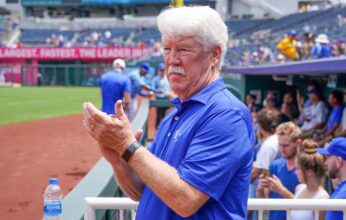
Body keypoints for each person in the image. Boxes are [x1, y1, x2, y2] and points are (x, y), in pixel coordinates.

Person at [83, 6, 255, 219]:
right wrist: (118, 159)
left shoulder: (226, 114)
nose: (172, 59)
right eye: (166, 49)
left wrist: (127, 145)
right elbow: (142, 191)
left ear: (214, 55)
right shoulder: (176, 114)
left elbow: (185, 200)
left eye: (183, 50)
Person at [271, 139, 329, 220]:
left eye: (298, 169)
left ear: (309, 172)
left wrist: (282, 190)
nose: (295, 172)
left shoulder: (322, 199)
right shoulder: (299, 188)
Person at [256, 122, 301, 220]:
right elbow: (266, 203)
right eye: (280, 145)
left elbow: (307, 208)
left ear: (298, 143)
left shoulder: (306, 169)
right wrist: (260, 189)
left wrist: (282, 191)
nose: (282, 149)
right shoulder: (275, 166)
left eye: (286, 145)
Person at [151, 63, 172, 129]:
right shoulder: (155, 79)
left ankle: (166, 128)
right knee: (159, 115)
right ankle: (157, 129)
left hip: (167, 99)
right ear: (159, 71)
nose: (162, 71)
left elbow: (171, 88)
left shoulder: (168, 78)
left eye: (163, 70)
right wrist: (157, 91)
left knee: (167, 115)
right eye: (161, 70)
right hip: (159, 99)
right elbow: (152, 89)